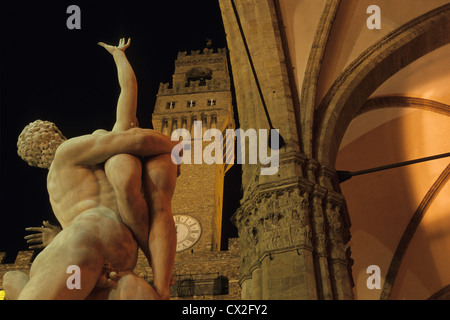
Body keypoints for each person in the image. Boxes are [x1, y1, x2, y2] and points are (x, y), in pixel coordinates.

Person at [8, 40, 178, 300]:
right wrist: (178, 147)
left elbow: (127, 101)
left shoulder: (64, 180)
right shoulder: (69, 153)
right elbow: (136, 127)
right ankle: (17, 284)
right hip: (91, 253)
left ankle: (18, 283)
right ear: (55, 134)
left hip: (113, 269)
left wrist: (119, 56)